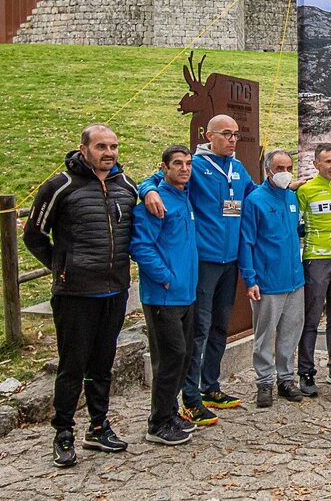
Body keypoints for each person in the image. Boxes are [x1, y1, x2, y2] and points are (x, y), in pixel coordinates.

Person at [24, 124, 138, 467]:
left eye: (114, 146)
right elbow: (34, 235)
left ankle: (99, 426)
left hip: (115, 288)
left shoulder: (125, 185)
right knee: (72, 366)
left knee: (103, 363)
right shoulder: (60, 186)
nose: (109, 152)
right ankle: (63, 432)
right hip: (75, 292)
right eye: (101, 146)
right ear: (83, 149)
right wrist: (61, 267)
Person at [140, 114, 256, 426]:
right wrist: (146, 189)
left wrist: (289, 186)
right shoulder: (196, 165)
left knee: (221, 326)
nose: (232, 140)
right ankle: (189, 398)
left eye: (235, 135)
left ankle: (210, 387)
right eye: (226, 134)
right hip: (204, 262)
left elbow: (253, 195)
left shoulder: (237, 167)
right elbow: (158, 179)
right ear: (209, 135)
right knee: (199, 330)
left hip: (230, 261)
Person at [129, 145, 198, 446]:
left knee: (182, 358)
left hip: (186, 294)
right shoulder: (155, 201)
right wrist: (166, 278)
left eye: (188, 164)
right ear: (164, 168)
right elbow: (141, 246)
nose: (184, 169)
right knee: (170, 358)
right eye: (177, 164)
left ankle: (170, 412)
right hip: (163, 296)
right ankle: (157, 422)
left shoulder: (184, 195)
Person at [238, 149, 306, 408]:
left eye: (289, 167)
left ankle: (286, 379)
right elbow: (246, 242)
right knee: (265, 335)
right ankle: (264, 381)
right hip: (267, 282)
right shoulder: (255, 200)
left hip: (294, 281)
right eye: (279, 168)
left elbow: (295, 230)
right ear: (268, 171)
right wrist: (250, 279)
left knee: (290, 332)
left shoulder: (292, 198)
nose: (285, 173)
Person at [296, 144, 331, 397]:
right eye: (327, 162)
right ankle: (306, 373)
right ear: (316, 164)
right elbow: (294, 223)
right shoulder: (305, 191)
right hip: (316, 260)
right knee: (311, 319)